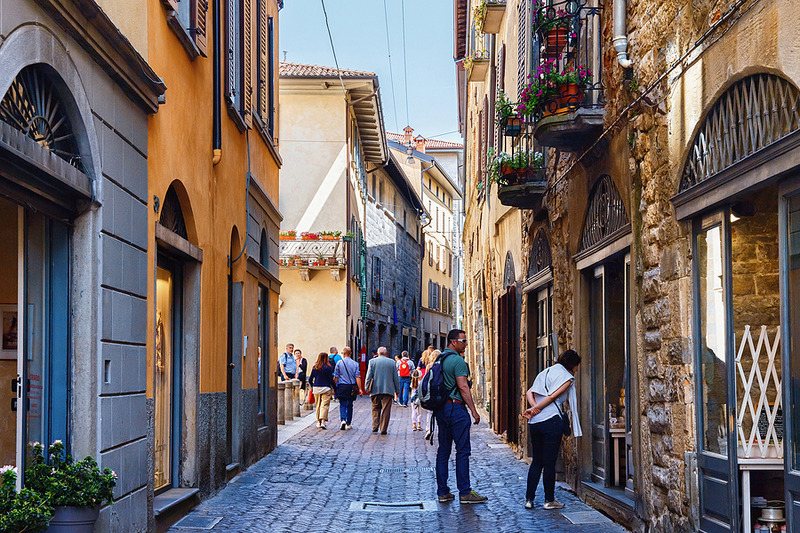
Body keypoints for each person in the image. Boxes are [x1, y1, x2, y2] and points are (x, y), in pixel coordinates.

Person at [522, 350, 583, 510]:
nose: (577, 368)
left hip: (535, 423)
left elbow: (530, 391)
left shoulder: (546, 371)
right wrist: (536, 409)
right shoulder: (567, 378)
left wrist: (534, 408)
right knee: (549, 463)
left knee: (537, 461)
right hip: (551, 422)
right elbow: (552, 397)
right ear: (573, 364)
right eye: (577, 365)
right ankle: (549, 500)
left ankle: (529, 499)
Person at [434, 329, 487, 504]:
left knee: (443, 451)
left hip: (441, 409)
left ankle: (443, 492)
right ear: (453, 342)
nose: (466, 344)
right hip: (456, 409)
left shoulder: (439, 358)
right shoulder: (457, 361)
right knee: (462, 451)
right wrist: (473, 410)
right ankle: (465, 492)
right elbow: (463, 387)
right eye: (463, 341)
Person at [364, 346, 400, 435]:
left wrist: (367, 387)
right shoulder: (392, 362)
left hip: (375, 389)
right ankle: (383, 428)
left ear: (377, 353)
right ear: (386, 353)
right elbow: (395, 377)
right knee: (386, 410)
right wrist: (397, 390)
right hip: (388, 390)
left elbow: (368, 376)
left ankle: (375, 426)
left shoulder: (372, 362)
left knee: (375, 408)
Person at [334, 346, 362, 430]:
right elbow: (358, 377)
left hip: (342, 385)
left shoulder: (339, 363)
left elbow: (336, 376)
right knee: (350, 404)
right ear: (350, 354)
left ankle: (343, 419)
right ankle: (348, 423)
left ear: (344, 353)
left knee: (342, 404)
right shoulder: (355, 364)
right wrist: (360, 389)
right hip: (351, 386)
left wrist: (334, 387)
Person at [309, 352, 335, 429]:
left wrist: (313, 386)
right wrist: (334, 388)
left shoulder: (315, 367)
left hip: (316, 388)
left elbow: (310, 379)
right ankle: (323, 421)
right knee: (325, 405)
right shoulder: (328, 368)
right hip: (326, 388)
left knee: (318, 405)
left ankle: (318, 422)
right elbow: (331, 380)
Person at [421, 349, 440, 439]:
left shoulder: (429, 366)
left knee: (430, 412)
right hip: (440, 391)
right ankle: (441, 430)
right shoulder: (442, 366)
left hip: (431, 391)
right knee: (441, 411)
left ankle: (429, 429)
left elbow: (426, 379)